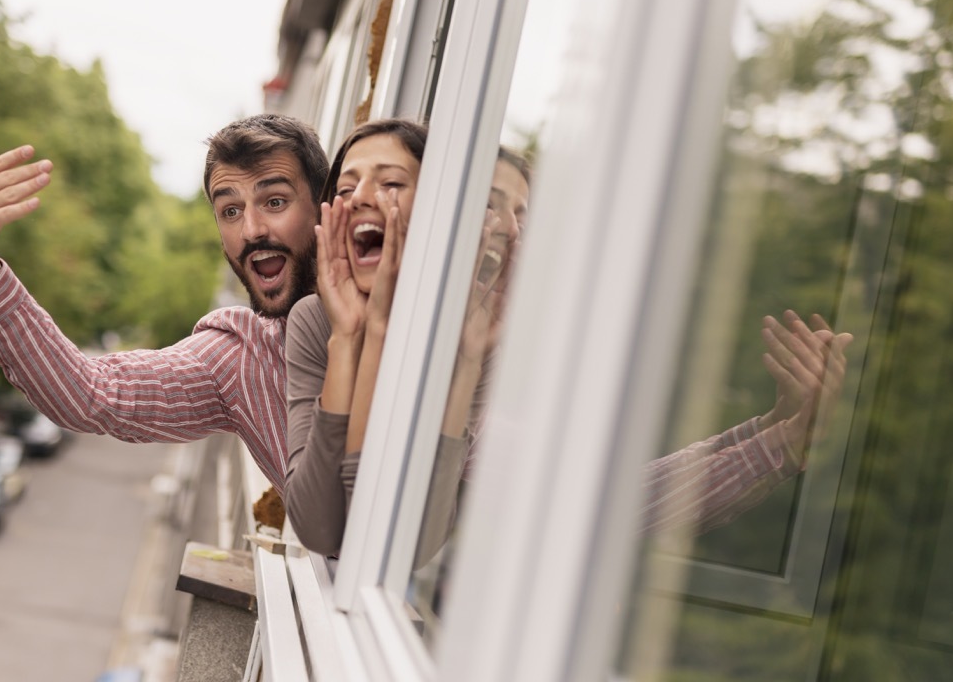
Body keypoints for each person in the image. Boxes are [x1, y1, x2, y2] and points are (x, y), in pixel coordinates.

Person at [282, 118, 852, 557]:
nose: (508, 227)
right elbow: (338, 529)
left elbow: (604, 501)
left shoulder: (485, 349)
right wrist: (776, 444)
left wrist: (772, 436)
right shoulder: (320, 324)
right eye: (491, 205)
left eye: (523, 214)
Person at [0, 114, 327, 490]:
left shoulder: (367, 313)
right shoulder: (241, 357)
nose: (251, 230)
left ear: (324, 205)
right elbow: (89, 393)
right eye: (230, 211)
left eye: (274, 201)